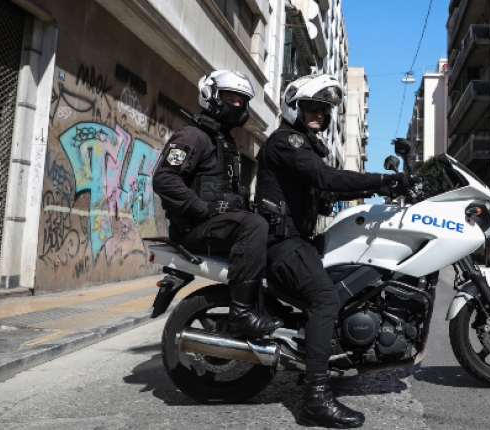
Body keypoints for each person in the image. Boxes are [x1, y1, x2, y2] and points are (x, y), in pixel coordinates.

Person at [256, 74, 408, 429]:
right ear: (294, 107)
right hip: (283, 243)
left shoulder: (303, 147)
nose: (319, 114)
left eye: (324, 109)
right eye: (312, 106)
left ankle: (329, 353)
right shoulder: (286, 142)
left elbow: (328, 189)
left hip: (298, 239)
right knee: (325, 299)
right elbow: (326, 178)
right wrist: (382, 180)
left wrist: (379, 191)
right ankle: (315, 400)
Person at [153, 70, 282, 338]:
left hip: (214, 225)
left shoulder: (222, 140)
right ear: (209, 95)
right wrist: (202, 208)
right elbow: (165, 179)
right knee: (254, 226)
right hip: (194, 227)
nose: (236, 105)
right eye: (230, 98)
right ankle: (241, 314)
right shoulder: (193, 136)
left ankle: (267, 311)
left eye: (241, 101)